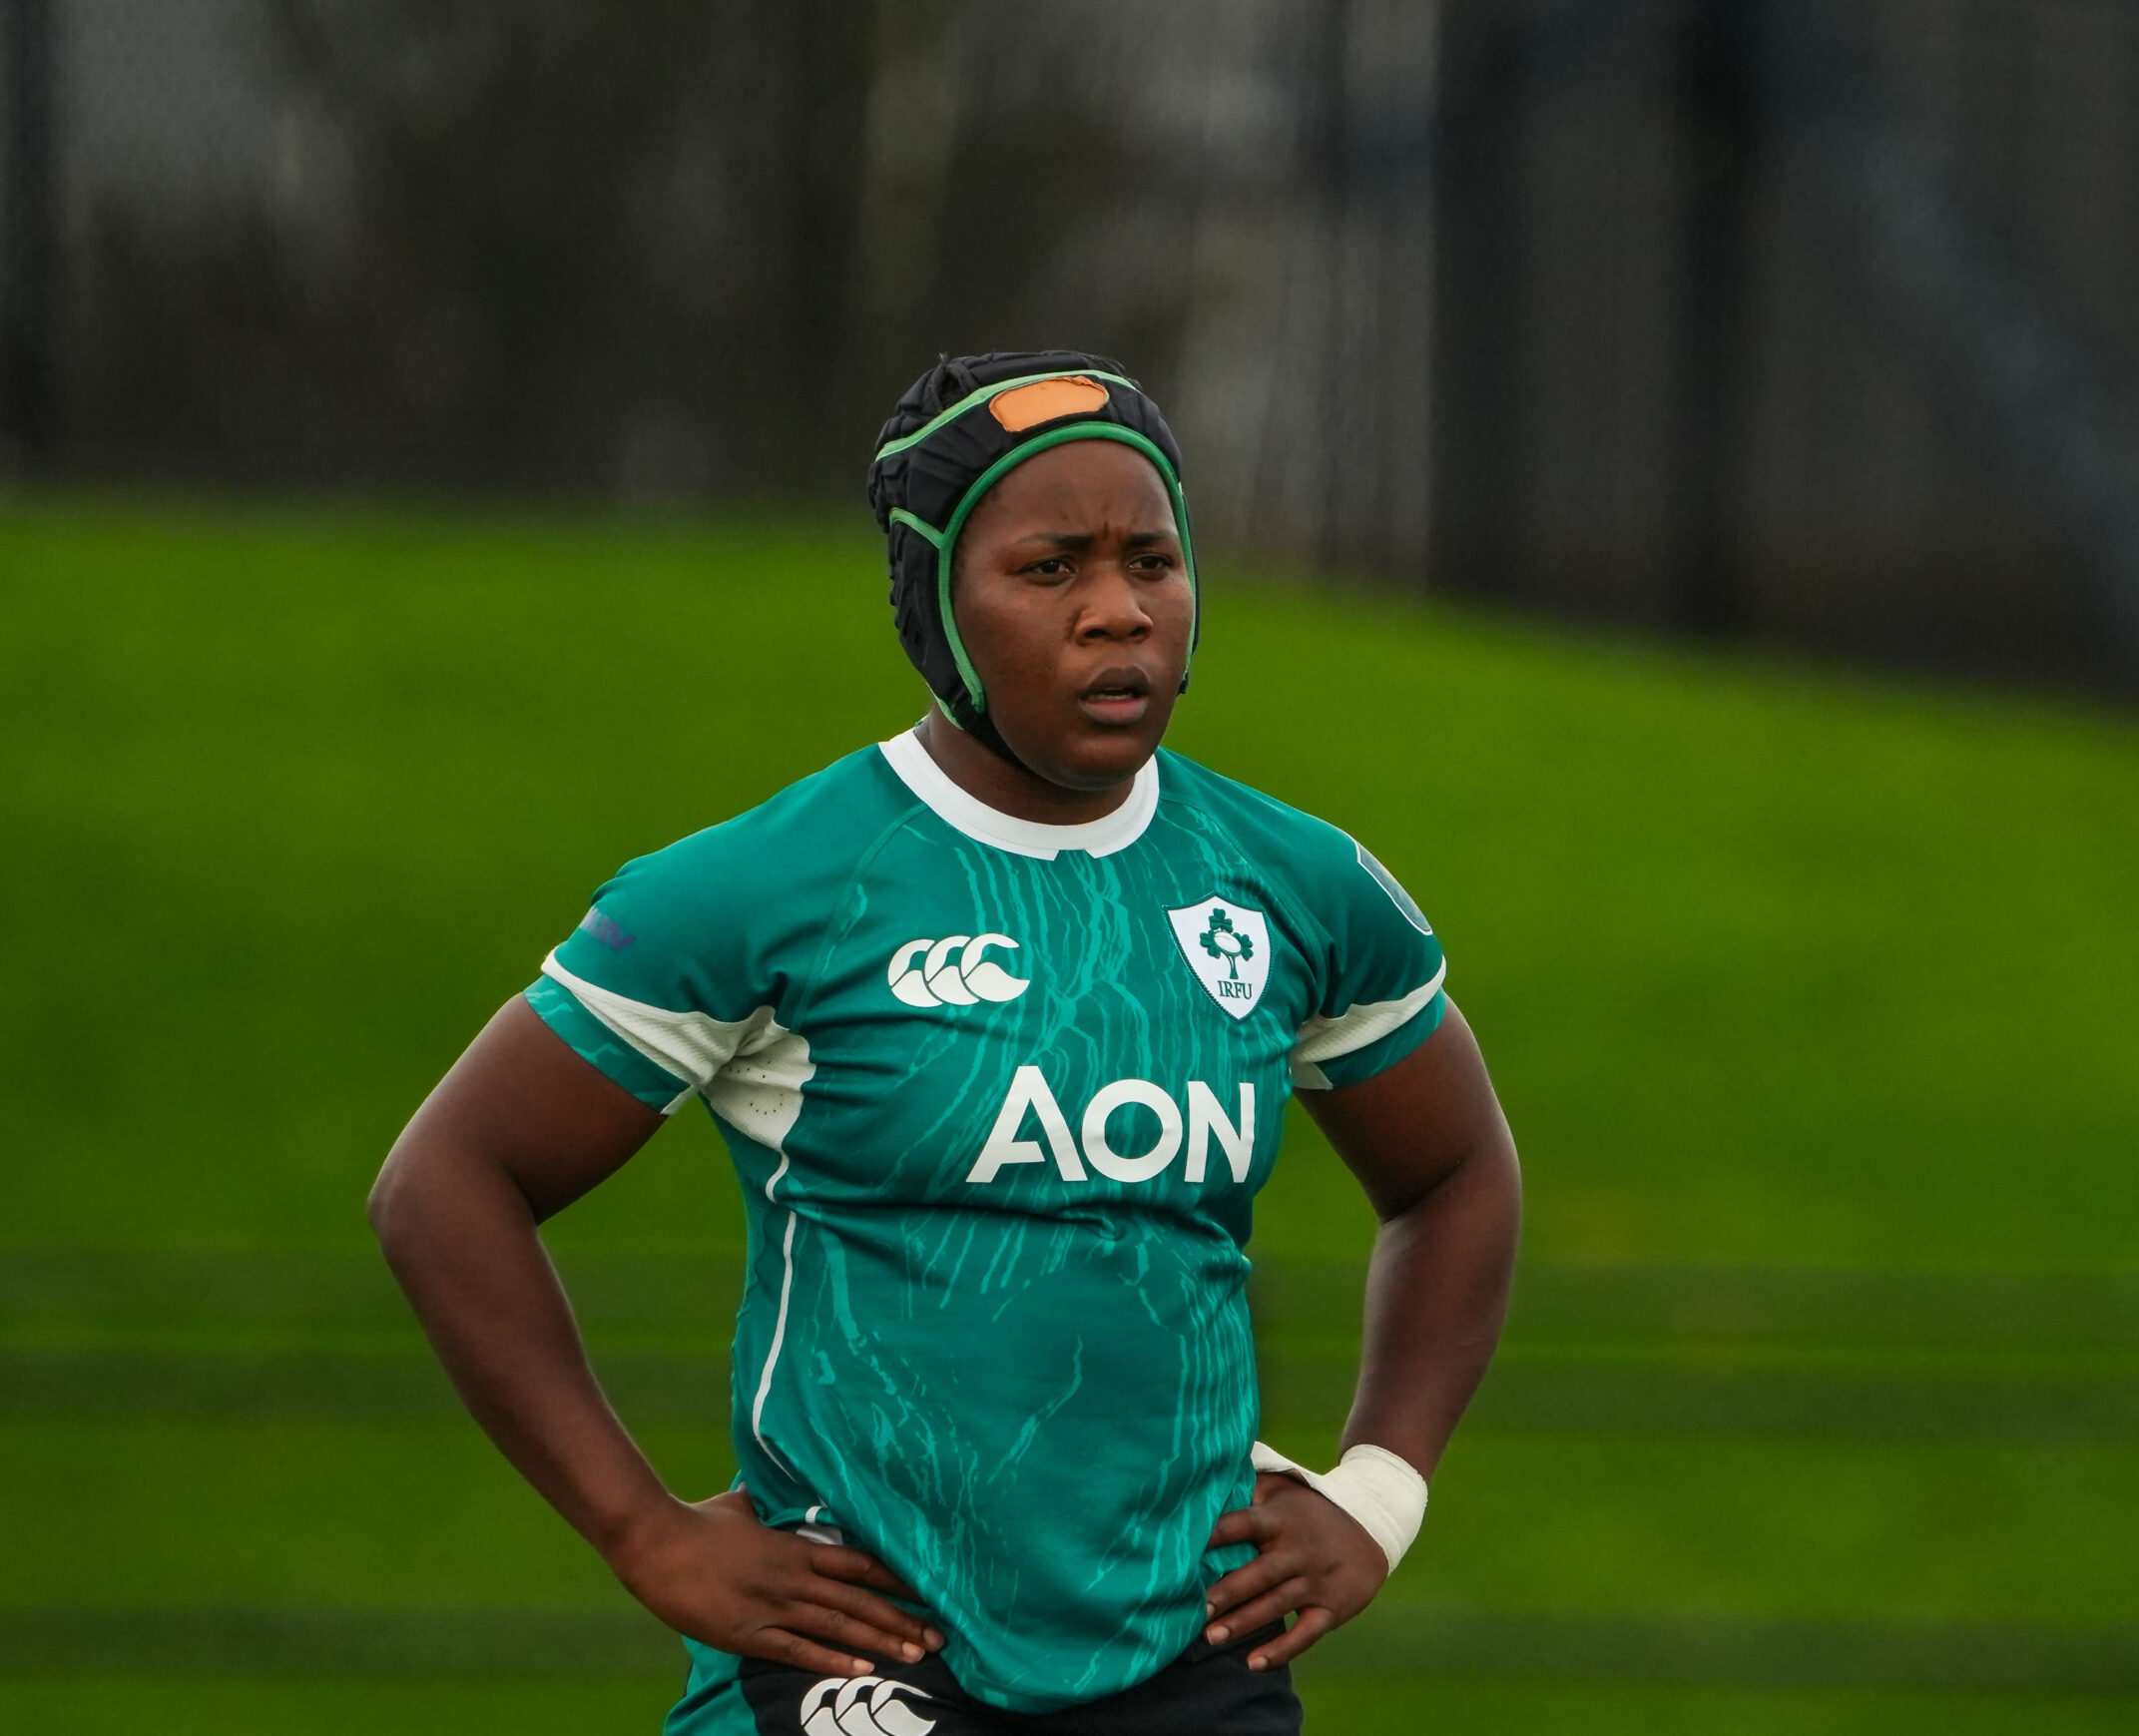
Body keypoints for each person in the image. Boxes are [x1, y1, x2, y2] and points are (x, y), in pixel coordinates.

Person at [368, 350, 1522, 1733]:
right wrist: (644, 1531)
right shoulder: (767, 889)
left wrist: (1380, 1493)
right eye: (1050, 571)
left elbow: (1456, 1176)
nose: (1117, 615)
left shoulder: (1293, 882)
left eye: (1152, 562)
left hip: (1193, 1664)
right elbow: (446, 1185)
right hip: (859, 1656)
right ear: (934, 605)